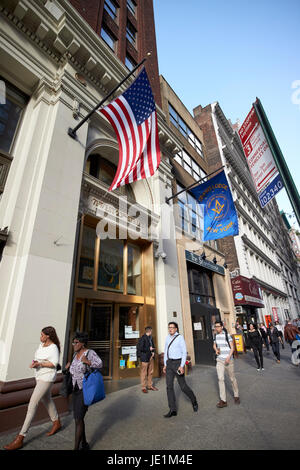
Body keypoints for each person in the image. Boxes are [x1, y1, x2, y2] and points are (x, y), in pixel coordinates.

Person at [4, 327, 61, 451]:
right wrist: (35, 363)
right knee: (47, 400)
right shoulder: (42, 345)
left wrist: (40, 364)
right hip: (39, 376)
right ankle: (56, 422)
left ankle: (20, 437)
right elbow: (38, 358)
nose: (40, 337)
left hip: (47, 378)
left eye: (42, 335)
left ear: (48, 336)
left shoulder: (54, 347)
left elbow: (54, 363)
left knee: (32, 404)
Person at [66, 331, 103, 450]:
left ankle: (76, 448)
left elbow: (100, 364)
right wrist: (67, 369)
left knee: (78, 418)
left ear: (82, 343)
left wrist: (88, 362)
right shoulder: (74, 355)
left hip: (84, 389)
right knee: (79, 418)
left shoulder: (89, 353)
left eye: (76, 342)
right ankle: (85, 443)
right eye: (73, 342)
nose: (74, 344)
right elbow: (73, 371)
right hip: (75, 389)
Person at [163, 322, 198, 417]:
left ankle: (193, 400)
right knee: (169, 386)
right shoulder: (167, 338)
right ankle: (172, 409)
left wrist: (182, 366)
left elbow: (184, 353)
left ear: (176, 329)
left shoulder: (180, 338)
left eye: (172, 327)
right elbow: (166, 351)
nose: (170, 329)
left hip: (178, 364)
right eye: (169, 327)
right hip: (169, 363)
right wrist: (165, 364)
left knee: (183, 386)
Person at [213, 321, 240, 408]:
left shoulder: (227, 335)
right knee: (220, 379)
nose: (216, 328)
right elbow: (214, 345)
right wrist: (216, 350)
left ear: (221, 327)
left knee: (232, 378)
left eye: (218, 326)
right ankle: (223, 400)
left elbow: (232, 347)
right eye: (215, 326)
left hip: (228, 360)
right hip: (220, 360)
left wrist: (229, 357)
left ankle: (236, 395)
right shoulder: (215, 335)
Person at [137, 326, 158, 393]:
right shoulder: (142, 338)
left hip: (151, 357)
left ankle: (150, 386)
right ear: (149, 331)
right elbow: (141, 348)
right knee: (144, 373)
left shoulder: (151, 338)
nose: (152, 332)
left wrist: (153, 352)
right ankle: (143, 387)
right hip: (145, 358)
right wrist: (149, 349)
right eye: (151, 331)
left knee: (150, 372)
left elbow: (153, 346)